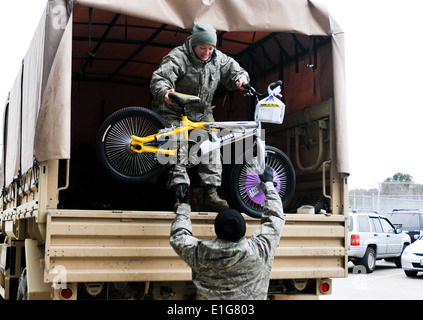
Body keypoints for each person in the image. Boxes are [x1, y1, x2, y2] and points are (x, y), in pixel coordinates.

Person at [150, 23, 249, 211]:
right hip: (174, 111)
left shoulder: (218, 59)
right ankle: (180, 192)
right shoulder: (178, 56)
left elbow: (237, 70)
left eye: (211, 48)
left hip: (202, 112)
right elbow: (160, 78)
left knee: (212, 146)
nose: (207, 52)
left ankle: (212, 193)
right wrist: (165, 92)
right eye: (203, 48)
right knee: (176, 146)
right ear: (194, 44)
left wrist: (241, 80)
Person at [169, 165, 285, 300]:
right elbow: (275, 218)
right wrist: (269, 184)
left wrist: (183, 206)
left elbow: (179, 236)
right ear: (243, 231)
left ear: (217, 231)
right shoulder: (259, 251)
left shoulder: (201, 253)